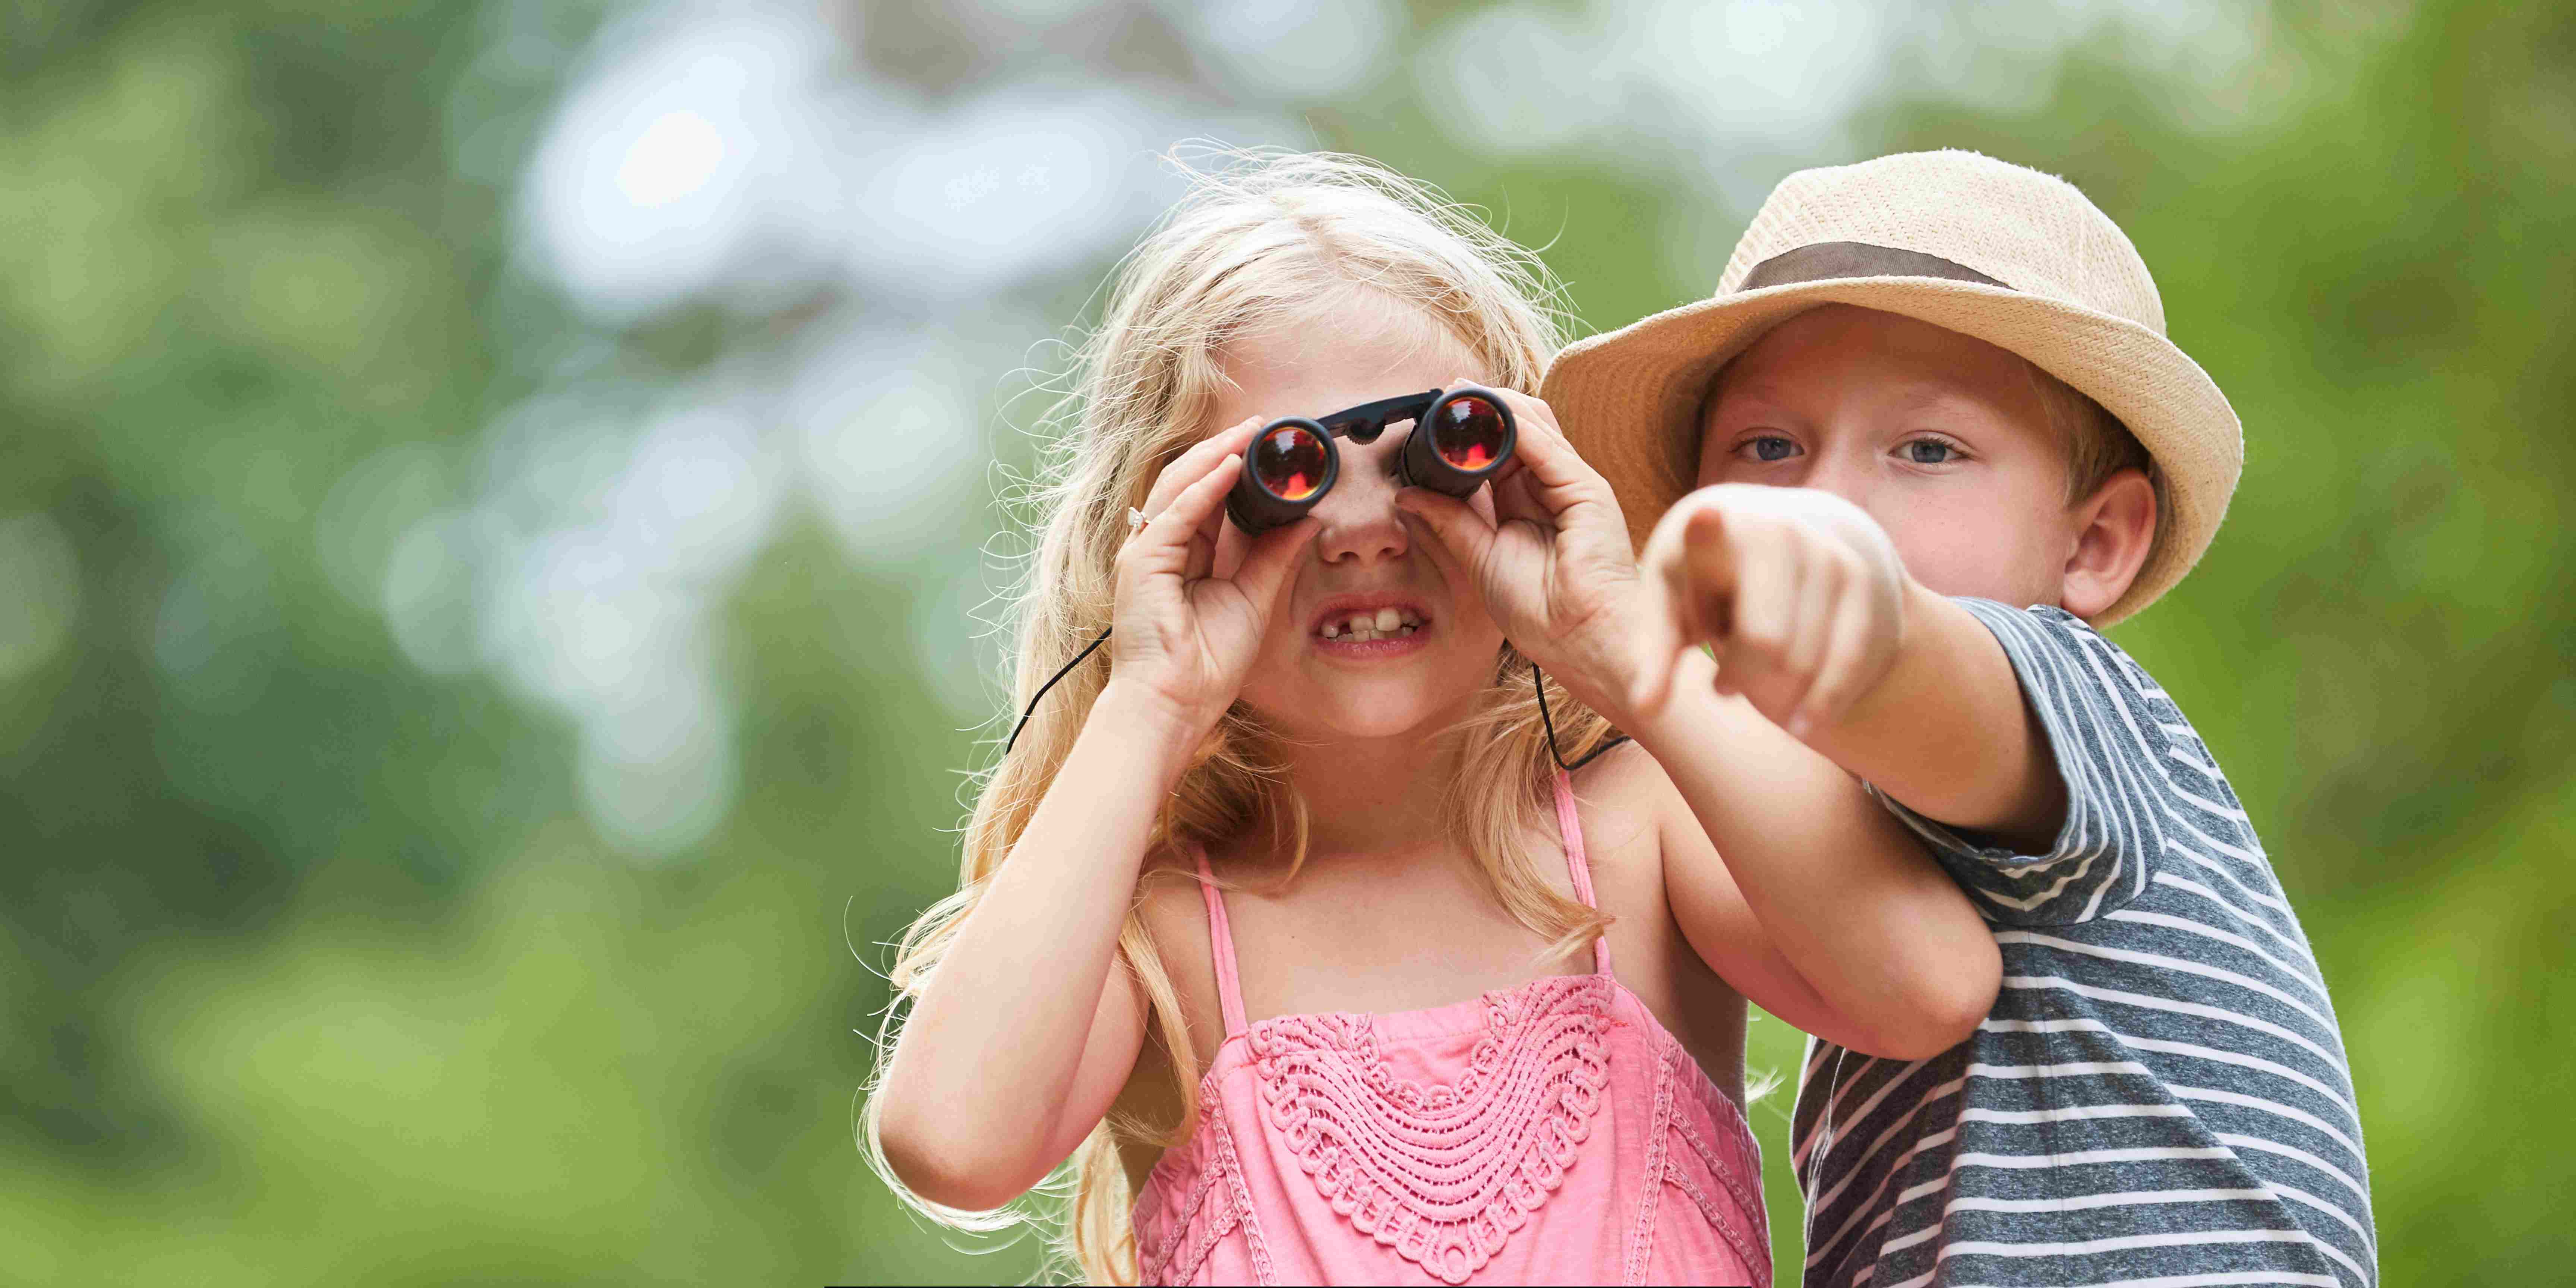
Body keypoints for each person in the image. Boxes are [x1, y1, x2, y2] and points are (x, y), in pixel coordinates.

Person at [864, 149, 1999, 1286]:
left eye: (1434, 456)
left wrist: (1626, 651)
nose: (1363, 531)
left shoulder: (1638, 834)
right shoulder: (1162, 930)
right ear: (1162, 528)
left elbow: (1928, 988)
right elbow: (951, 1143)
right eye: (1286, 473)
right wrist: (1150, 701)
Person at [1541, 149, 2376, 1287]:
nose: (1827, 501)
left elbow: (1913, 673)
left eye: (1928, 451)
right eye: (1768, 450)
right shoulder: (1849, 846)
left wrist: (1780, 594)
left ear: (2094, 545)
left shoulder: (2074, 697)